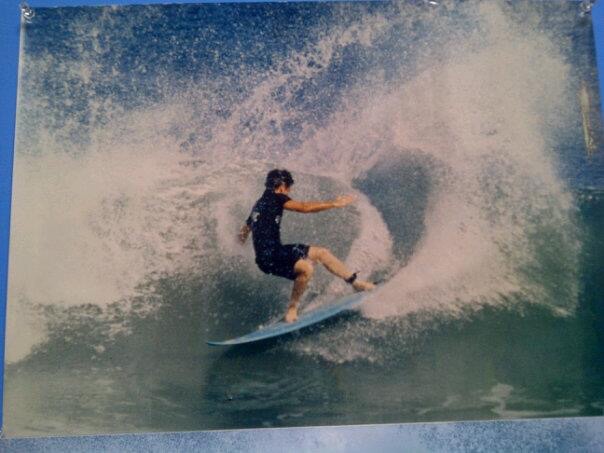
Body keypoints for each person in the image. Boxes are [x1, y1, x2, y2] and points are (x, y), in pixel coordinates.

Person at [239, 169, 375, 323]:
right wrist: (333, 204)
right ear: (282, 186)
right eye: (289, 187)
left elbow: (244, 231)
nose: (289, 191)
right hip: (270, 257)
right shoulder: (276, 197)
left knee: (322, 253)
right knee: (306, 269)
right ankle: (292, 310)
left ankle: (356, 283)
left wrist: (238, 247)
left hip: (275, 253)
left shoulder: (259, 204)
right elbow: (304, 207)